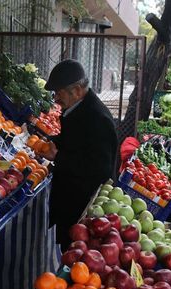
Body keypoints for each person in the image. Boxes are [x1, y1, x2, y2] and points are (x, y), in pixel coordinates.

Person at [38, 60, 118, 247]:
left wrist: (58, 157)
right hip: (71, 200)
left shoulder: (97, 118)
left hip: (82, 206)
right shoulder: (78, 109)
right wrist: (52, 141)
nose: (56, 98)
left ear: (76, 90)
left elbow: (100, 168)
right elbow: (75, 142)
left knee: (75, 254)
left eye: (59, 92)